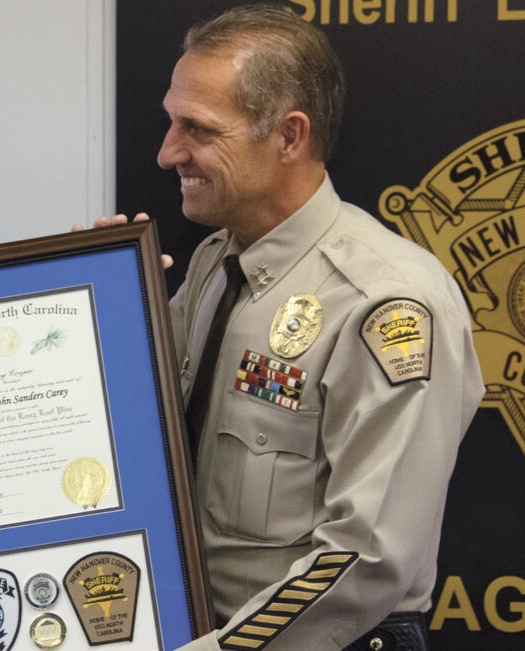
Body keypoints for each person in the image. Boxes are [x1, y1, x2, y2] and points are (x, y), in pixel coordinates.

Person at [137, 4, 482, 650]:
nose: (167, 152)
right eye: (170, 122)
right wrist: (101, 302)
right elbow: (142, 435)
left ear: (289, 137)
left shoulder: (385, 301)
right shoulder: (216, 265)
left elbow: (366, 558)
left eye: (198, 129)